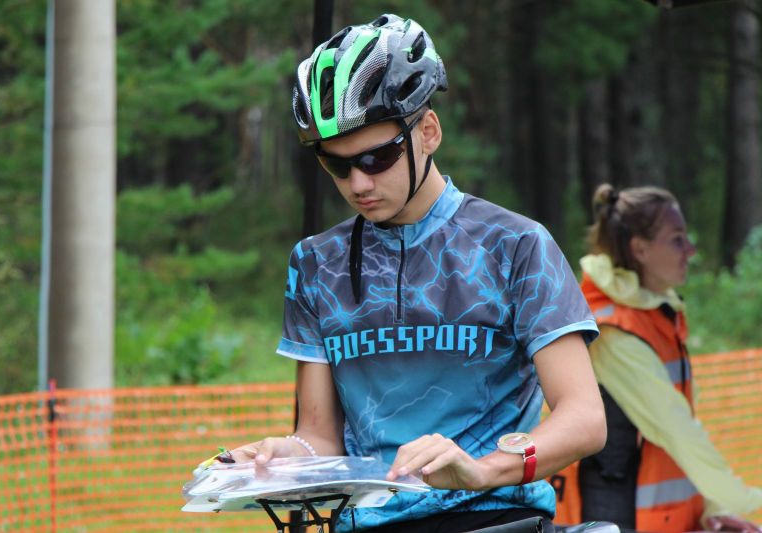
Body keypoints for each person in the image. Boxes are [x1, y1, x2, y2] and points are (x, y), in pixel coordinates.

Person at [228, 14, 606, 532]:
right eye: (337, 164)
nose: (358, 183)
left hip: (491, 517)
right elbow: (319, 439)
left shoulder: (515, 244)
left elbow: (584, 419)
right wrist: (281, 455)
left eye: (377, 157)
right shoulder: (315, 263)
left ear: (428, 132)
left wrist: (480, 471)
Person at [574, 184, 762, 532]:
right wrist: (747, 500)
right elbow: (678, 431)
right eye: (677, 239)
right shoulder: (616, 334)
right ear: (640, 249)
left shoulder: (651, 315)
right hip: (617, 519)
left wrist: (712, 509)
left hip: (656, 517)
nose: (690, 250)